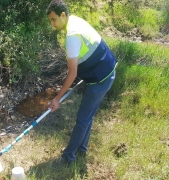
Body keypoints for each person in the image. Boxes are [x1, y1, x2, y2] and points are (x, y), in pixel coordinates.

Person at [46, 0, 117, 166]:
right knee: (88, 115)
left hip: (100, 79)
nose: (52, 24)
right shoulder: (75, 20)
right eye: (50, 20)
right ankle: (82, 149)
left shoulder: (72, 37)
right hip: (107, 70)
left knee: (82, 119)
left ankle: (67, 157)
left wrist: (57, 98)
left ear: (63, 15)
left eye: (53, 19)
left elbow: (72, 73)